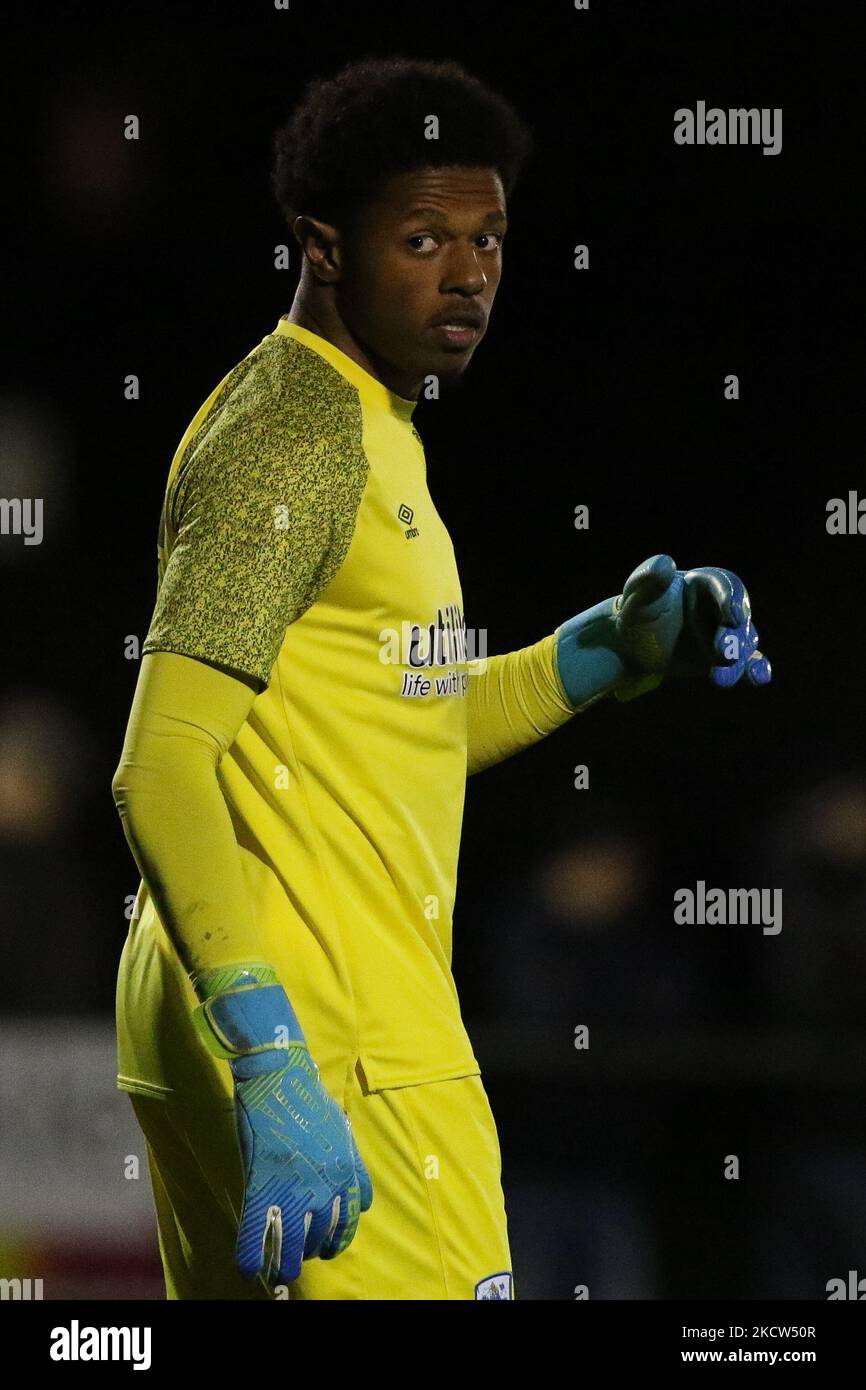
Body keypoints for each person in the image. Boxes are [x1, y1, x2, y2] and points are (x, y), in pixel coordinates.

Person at [111, 54, 770, 1301]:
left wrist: (607, 654)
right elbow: (160, 764)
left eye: (487, 240)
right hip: (330, 1024)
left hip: (240, 1004)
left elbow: (383, 728)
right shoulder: (297, 438)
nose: (465, 274)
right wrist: (274, 1058)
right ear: (319, 246)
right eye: (421, 238)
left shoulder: (346, 419)